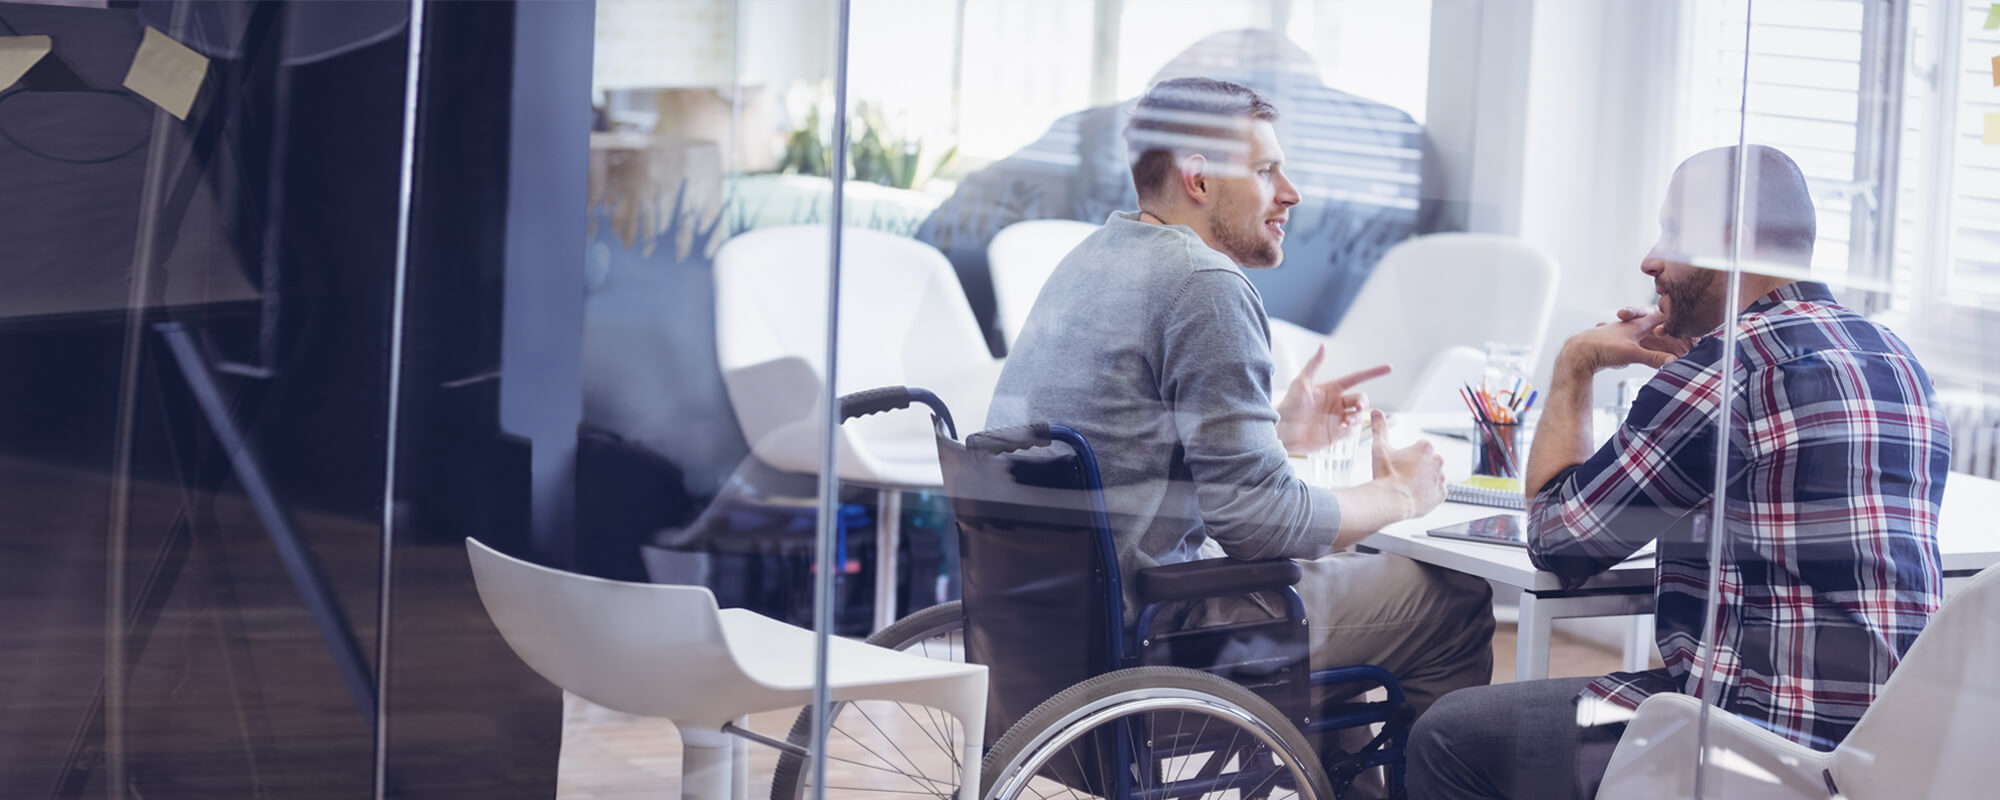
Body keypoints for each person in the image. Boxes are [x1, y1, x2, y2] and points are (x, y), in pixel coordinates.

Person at [1406, 144, 1953, 799]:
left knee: (1451, 734)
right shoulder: (1895, 359)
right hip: (1892, 749)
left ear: (1734, 243)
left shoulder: (1725, 373)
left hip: (1747, 743)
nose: (1650, 259)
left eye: (1672, 232)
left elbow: (1557, 539)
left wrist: (1576, 362)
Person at [986, 76, 1496, 760]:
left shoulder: (1093, 258)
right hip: (1158, 634)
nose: (1291, 192)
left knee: (1352, 585)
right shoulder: (1204, 283)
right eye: (1265, 170)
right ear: (1199, 178)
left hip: (1043, 634)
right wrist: (1398, 494)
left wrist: (1276, 432)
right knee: (1453, 603)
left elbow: (1126, 443)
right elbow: (1255, 524)